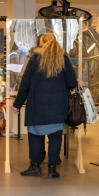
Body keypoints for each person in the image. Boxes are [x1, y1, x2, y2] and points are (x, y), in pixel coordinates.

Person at [13, 33, 77, 179]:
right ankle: (52, 169)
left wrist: (17, 103)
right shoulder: (63, 59)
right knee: (55, 136)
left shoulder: (35, 59)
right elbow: (71, 83)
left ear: (42, 44)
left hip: (37, 105)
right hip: (58, 105)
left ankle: (35, 167)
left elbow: (25, 84)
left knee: (35, 135)